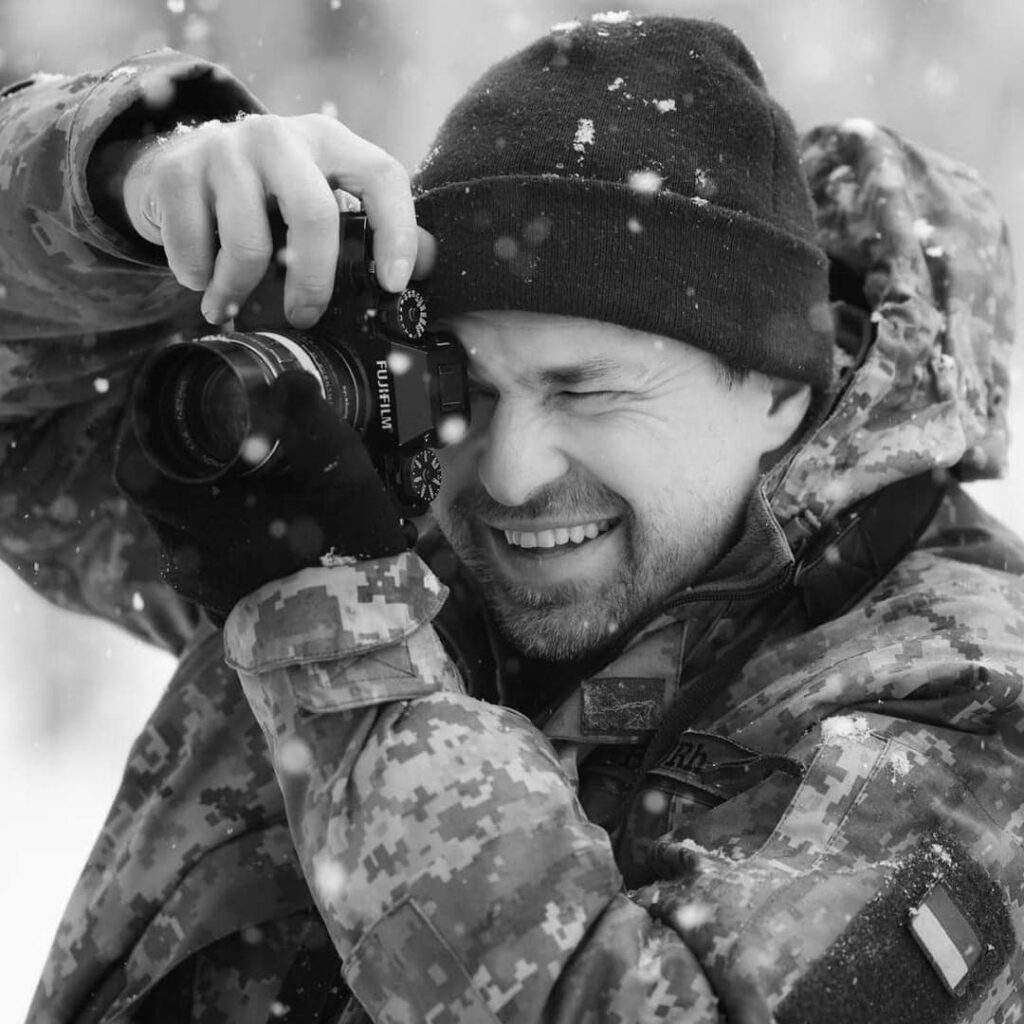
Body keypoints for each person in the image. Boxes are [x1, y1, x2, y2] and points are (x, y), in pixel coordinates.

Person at [4, 13, 1022, 1024]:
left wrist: (340, 640)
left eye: (586, 391)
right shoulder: (376, 511)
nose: (510, 471)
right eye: (469, 389)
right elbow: (27, 419)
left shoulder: (961, 697)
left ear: (777, 391)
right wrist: (118, 182)